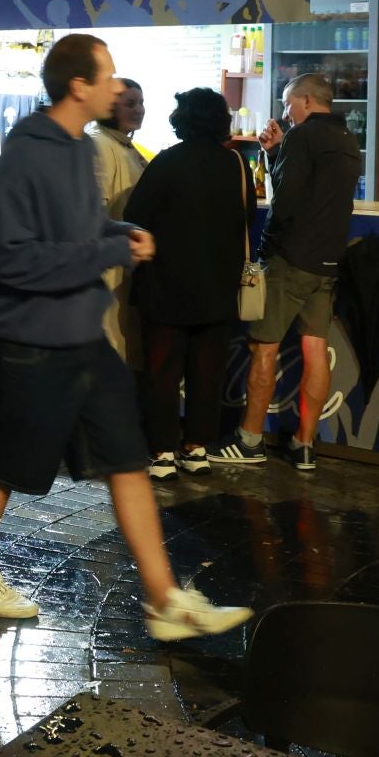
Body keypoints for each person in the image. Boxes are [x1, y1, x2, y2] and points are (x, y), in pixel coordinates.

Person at [0, 33, 250, 641]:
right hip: (30, 341)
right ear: (78, 86)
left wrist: (120, 230)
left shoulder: (75, 149)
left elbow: (78, 231)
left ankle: (166, 598)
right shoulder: (28, 154)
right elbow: (11, 259)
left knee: (128, 459)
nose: (119, 87)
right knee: (7, 466)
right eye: (108, 75)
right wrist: (109, 247)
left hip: (83, 337)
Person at [213, 72, 360, 472]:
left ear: (308, 101)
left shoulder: (304, 135)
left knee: (263, 347)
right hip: (328, 262)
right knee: (315, 352)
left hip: (291, 260)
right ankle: (304, 444)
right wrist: (278, 153)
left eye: (287, 103)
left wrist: (266, 251)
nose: (284, 111)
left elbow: (287, 201)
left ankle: (249, 439)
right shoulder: (347, 140)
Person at [124, 89, 254, 479]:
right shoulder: (235, 164)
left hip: (166, 285)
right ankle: (196, 447)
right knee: (207, 372)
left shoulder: (166, 162)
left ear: (184, 119)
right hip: (218, 285)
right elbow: (246, 218)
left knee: (162, 371)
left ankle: (162, 452)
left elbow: (135, 215)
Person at [91, 77, 146, 360]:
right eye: (130, 104)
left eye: (141, 103)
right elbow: (94, 212)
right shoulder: (99, 145)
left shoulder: (126, 145)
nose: (139, 110)